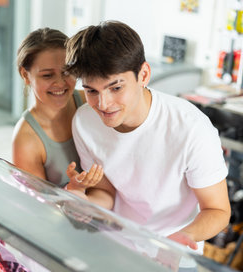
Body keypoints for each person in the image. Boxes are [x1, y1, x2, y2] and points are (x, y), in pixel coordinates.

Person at [64, 20, 231, 253]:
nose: (103, 104)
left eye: (115, 88)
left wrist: (180, 238)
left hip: (173, 252)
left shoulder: (191, 128)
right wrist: (81, 201)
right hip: (115, 244)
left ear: (143, 75)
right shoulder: (84, 121)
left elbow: (218, 211)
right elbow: (106, 193)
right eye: (91, 90)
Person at [12, 27, 103, 188]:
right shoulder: (26, 139)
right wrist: (72, 190)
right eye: (47, 75)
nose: (60, 83)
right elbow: (36, 206)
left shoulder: (91, 101)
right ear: (25, 75)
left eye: (67, 72)